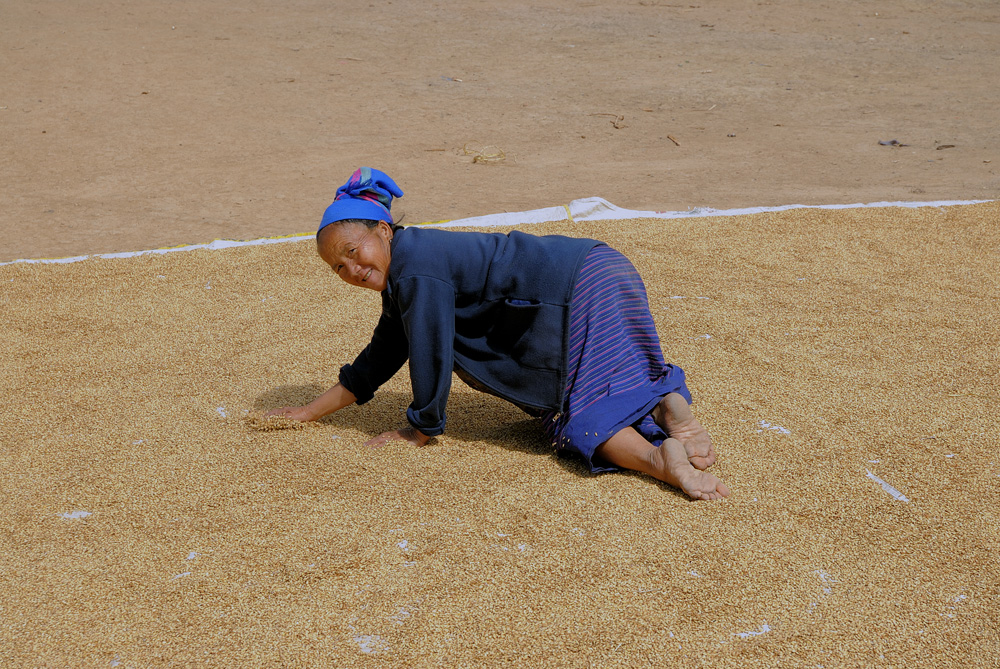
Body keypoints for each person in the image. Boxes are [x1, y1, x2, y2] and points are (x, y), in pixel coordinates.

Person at [267, 167, 729, 500]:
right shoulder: (413, 263)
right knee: (598, 388)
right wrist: (310, 411)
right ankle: (661, 400)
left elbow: (429, 349)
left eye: (354, 249)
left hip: (574, 291)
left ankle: (659, 463)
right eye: (338, 267)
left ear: (384, 230)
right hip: (597, 265)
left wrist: (420, 428)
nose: (351, 269)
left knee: (570, 420)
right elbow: (384, 353)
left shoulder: (415, 270)